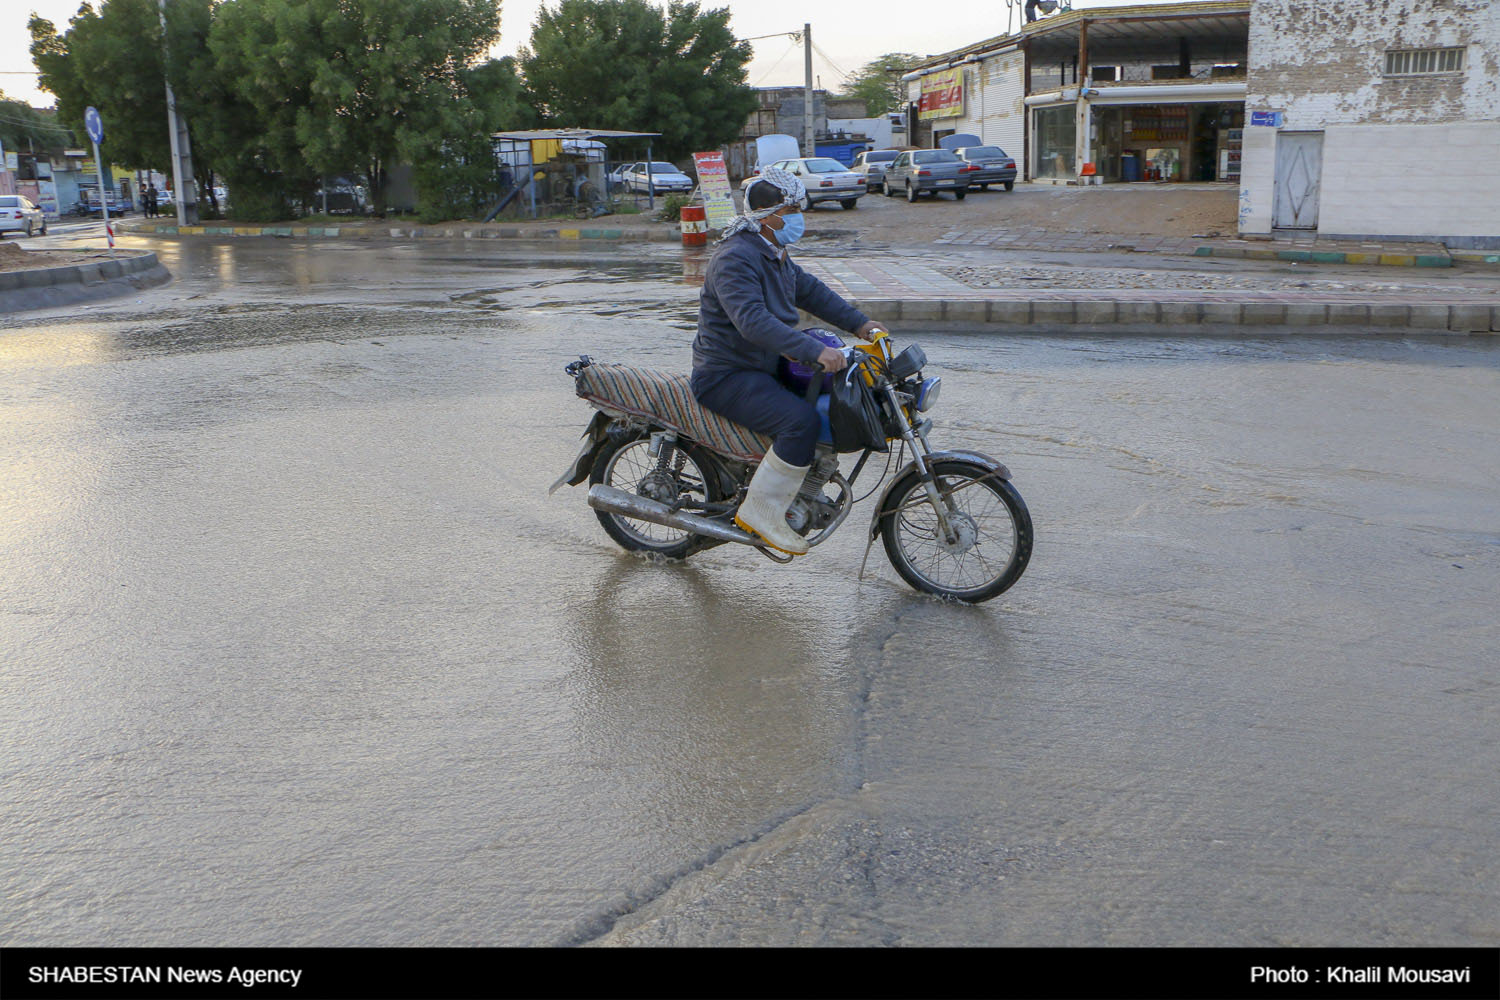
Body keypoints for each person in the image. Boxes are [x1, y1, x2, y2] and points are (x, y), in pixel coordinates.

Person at [690, 166, 887, 556]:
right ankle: (761, 513)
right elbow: (753, 321)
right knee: (801, 422)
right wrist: (813, 350)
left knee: (827, 404)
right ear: (769, 214)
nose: (799, 217)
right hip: (726, 374)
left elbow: (811, 292)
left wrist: (861, 324)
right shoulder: (735, 258)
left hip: (762, 366)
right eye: (792, 209)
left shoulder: (772, 252)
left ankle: (796, 485)